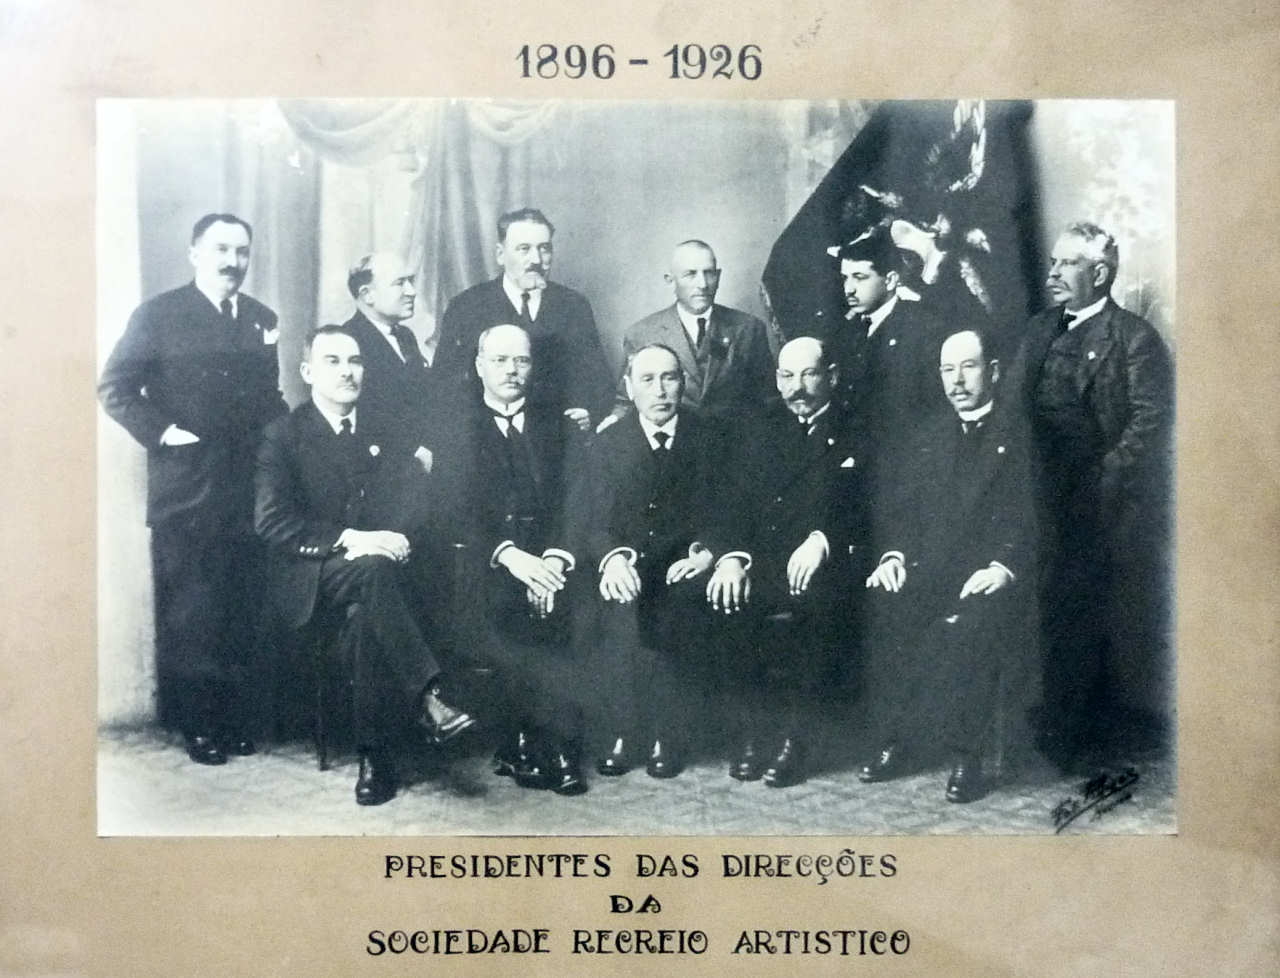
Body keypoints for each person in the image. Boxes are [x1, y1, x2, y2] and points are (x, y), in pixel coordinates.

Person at [254, 324, 475, 806]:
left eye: (354, 361)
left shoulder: (383, 428)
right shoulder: (283, 436)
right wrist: (353, 540)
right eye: (332, 361)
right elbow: (272, 521)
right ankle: (429, 695)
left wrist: (397, 536)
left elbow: (415, 497)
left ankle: (374, 759)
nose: (347, 371)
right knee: (373, 572)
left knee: (365, 618)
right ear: (307, 372)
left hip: (381, 578)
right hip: (314, 577)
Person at [98, 213, 286, 766]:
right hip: (188, 491)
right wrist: (164, 433)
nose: (233, 262)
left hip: (248, 489)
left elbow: (269, 398)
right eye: (221, 249)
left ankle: (234, 718)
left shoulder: (261, 318)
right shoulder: (158, 315)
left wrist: (291, 444)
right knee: (194, 611)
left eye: (242, 251)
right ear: (195, 253)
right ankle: (199, 724)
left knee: (241, 605)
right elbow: (114, 387)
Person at [1010, 221, 1174, 770]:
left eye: (1068, 264)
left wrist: (1100, 481)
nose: (1053, 273)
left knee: (1084, 613)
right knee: (1038, 606)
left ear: (1100, 274)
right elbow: (1013, 408)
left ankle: (1078, 737)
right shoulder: (1038, 330)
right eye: (1053, 262)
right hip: (1037, 492)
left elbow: (1149, 425)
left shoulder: (1133, 339)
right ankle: (1045, 723)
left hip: (1103, 503)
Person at [859, 328, 1034, 803]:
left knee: (970, 627)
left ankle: (965, 755)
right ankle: (897, 740)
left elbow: (1035, 516)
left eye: (968, 367)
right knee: (882, 603)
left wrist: (1003, 567)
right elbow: (903, 513)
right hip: (931, 568)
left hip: (993, 574)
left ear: (993, 372)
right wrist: (894, 557)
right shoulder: (928, 436)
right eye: (947, 370)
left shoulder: (1021, 434)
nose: (956, 381)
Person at [432, 324, 588, 795]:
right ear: (479, 366)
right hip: (486, 564)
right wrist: (510, 556)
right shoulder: (456, 429)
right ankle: (524, 737)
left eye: (521, 360)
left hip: (553, 560)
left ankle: (554, 743)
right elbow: (452, 512)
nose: (511, 370)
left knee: (571, 610)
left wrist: (556, 561)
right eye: (499, 360)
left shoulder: (558, 425)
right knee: (505, 612)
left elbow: (579, 499)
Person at [703, 337, 860, 787]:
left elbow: (869, 504)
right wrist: (732, 559)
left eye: (809, 374)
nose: (798, 387)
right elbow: (731, 503)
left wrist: (822, 539)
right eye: (788, 376)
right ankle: (750, 735)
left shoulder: (857, 425)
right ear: (776, 380)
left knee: (819, 609)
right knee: (724, 599)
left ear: (831, 376)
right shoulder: (758, 427)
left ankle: (796, 740)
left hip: (832, 561)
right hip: (765, 559)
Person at [572, 344, 725, 779]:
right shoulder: (606, 443)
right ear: (629, 387)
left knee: (677, 607)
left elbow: (728, 509)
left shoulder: (710, 436)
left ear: (683, 382)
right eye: (648, 380)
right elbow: (593, 519)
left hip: (686, 563)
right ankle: (623, 730)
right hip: (630, 561)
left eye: (669, 378)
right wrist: (612, 560)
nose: (660, 390)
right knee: (618, 605)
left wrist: (707, 553)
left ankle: (666, 733)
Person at [434, 208, 612, 431]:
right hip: (488, 437)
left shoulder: (574, 306)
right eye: (524, 249)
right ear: (500, 254)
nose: (536, 260)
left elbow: (600, 381)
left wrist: (589, 411)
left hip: (558, 436)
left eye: (544, 249)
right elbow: (443, 386)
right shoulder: (467, 307)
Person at [602, 239, 775, 430]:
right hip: (675, 443)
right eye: (690, 274)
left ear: (718, 276)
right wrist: (613, 422)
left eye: (709, 273)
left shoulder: (749, 328)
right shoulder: (642, 333)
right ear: (670, 280)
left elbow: (768, 398)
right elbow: (626, 400)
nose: (702, 284)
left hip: (735, 441)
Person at [341, 253, 436, 470]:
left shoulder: (405, 336)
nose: (411, 291)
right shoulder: (348, 342)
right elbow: (360, 416)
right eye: (400, 283)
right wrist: (414, 450)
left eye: (410, 281)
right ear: (367, 295)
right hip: (379, 466)